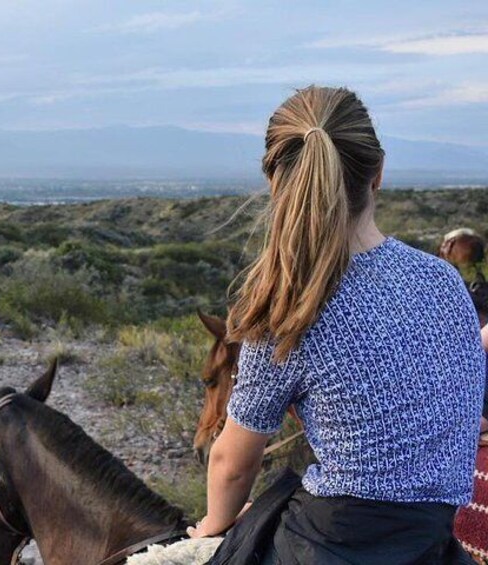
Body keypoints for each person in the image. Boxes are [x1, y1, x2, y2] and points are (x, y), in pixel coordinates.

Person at [187, 86, 486, 563]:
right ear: (379, 173)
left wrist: (212, 527)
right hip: (432, 541)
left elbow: (230, 463)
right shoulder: (444, 281)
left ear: (274, 181)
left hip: (333, 543)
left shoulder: (290, 305)